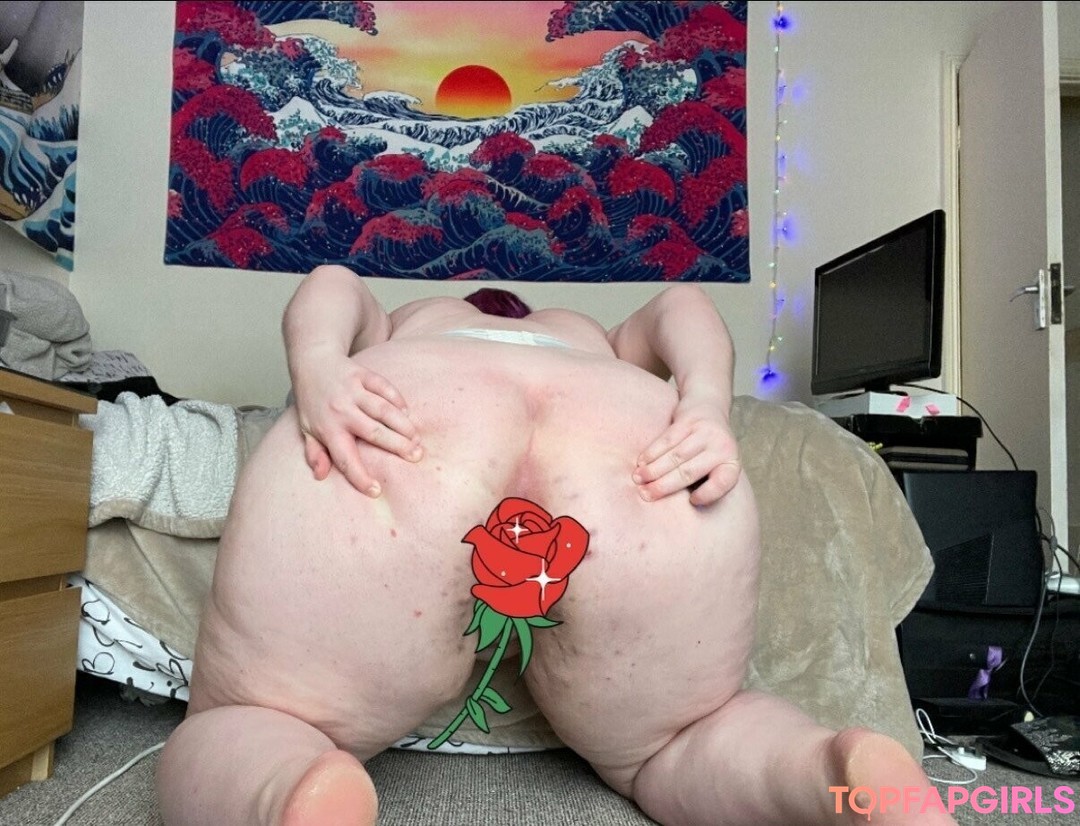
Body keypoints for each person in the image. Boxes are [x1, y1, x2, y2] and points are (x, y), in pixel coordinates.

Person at [157, 264, 954, 826]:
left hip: (412, 424)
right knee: (680, 742)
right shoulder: (592, 340)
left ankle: (292, 790)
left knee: (248, 716)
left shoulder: (413, 322)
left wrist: (320, 368)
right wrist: (706, 406)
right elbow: (684, 302)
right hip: (627, 445)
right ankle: (826, 772)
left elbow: (332, 281)